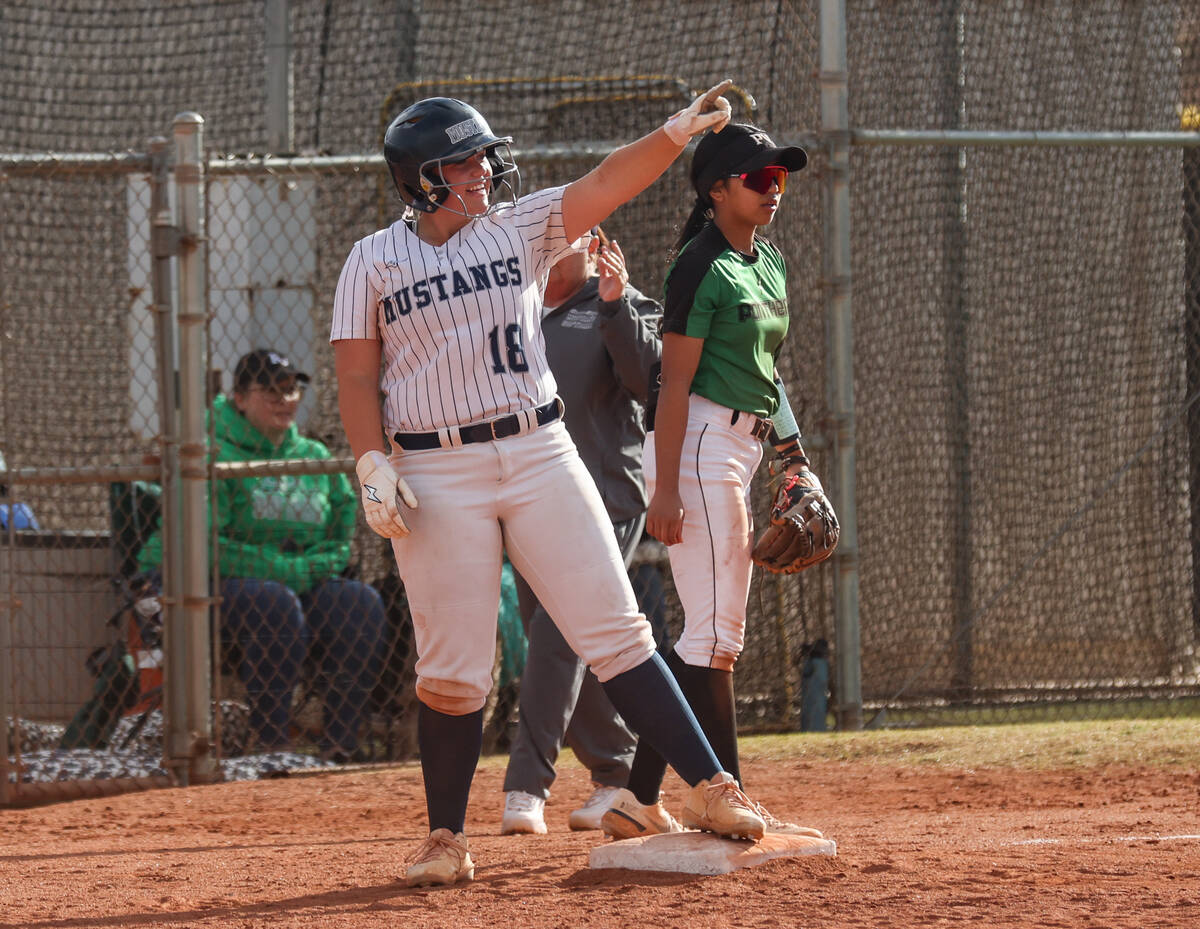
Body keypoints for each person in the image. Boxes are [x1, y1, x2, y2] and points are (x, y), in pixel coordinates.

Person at [331, 82, 774, 888]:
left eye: (482, 160)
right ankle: (444, 835)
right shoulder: (373, 258)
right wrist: (371, 462)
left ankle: (711, 786)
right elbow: (357, 374)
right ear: (421, 179)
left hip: (538, 447)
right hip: (436, 467)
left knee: (618, 629)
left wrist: (677, 132)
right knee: (455, 669)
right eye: (462, 165)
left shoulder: (518, 227)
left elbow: (608, 181)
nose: (483, 174)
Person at [599, 123, 826, 841]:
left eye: (779, 178)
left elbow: (768, 372)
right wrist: (662, 487)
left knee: (707, 634)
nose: (772, 189)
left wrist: (795, 458)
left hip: (743, 444)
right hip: (696, 443)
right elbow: (672, 385)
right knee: (720, 638)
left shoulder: (769, 262)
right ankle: (723, 794)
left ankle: (638, 797)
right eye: (758, 178)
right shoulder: (698, 265)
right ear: (716, 188)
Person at [139, 348, 387, 760]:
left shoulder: (314, 455)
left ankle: (340, 745)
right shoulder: (210, 452)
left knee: (360, 604)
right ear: (239, 398)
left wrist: (307, 568)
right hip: (201, 584)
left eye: (291, 389)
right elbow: (202, 546)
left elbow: (341, 537)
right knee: (274, 604)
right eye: (270, 391)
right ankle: (272, 745)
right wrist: (283, 569)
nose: (284, 399)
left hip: (293, 580)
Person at [499, 227, 660, 836]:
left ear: (590, 244)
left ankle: (525, 785)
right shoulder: (515, 305)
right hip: (530, 502)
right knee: (569, 640)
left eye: (556, 237)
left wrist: (616, 304)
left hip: (606, 498)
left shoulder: (621, 302)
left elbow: (652, 383)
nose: (541, 248)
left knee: (558, 634)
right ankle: (617, 774)